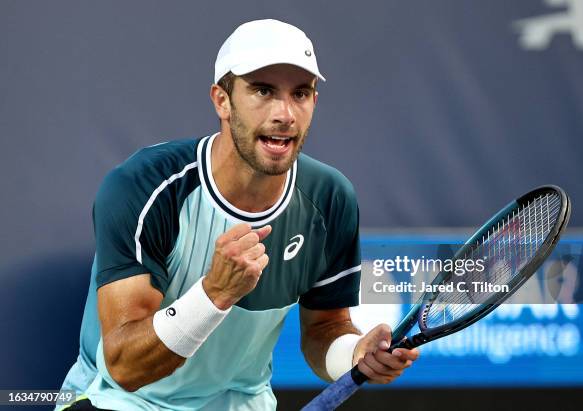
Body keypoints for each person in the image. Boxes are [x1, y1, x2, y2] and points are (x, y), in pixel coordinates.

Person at [57, 19, 419, 411]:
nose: (285, 113)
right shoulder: (145, 187)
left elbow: (325, 329)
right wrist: (215, 294)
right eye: (263, 91)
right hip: (120, 403)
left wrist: (354, 353)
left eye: (300, 93)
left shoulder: (330, 198)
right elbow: (125, 366)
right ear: (221, 100)